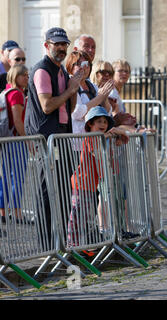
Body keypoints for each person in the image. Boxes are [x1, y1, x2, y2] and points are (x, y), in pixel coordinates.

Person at [25, 27, 83, 241]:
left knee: (65, 189)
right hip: (46, 137)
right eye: (56, 44)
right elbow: (47, 106)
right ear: (46, 45)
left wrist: (74, 87)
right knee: (47, 190)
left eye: (64, 44)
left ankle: (61, 240)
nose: (61, 48)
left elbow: (70, 106)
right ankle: (46, 243)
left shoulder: (60, 71)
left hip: (61, 135)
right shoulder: (42, 70)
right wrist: (69, 90)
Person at [67, 106, 129, 247]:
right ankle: (72, 244)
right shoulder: (91, 138)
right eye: (99, 122)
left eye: (105, 122)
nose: (103, 125)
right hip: (82, 182)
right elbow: (97, 153)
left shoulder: (102, 138)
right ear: (90, 124)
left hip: (91, 183)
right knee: (77, 215)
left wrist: (117, 132)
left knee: (87, 215)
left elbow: (126, 139)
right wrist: (106, 137)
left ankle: (82, 243)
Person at [65, 51, 114, 146]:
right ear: (70, 66)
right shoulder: (69, 84)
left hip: (94, 143)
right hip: (77, 144)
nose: (84, 67)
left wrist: (104, 97)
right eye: (80, 64)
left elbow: (107, 113)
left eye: (87, 64)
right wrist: (99, 98)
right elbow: (77, 112)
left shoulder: (92, 86)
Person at [0, 65, 29, 224]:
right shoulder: (17, 94)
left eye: (27, 75)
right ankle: (17, 213)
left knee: (6, 177)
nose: (26, 77)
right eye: (23, 75)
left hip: (6, 140)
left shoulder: (6, 92)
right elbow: (18, 121)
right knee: (17, 178)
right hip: (16, 140)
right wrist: (27, 140)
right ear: (15, 76)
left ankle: (3, 212)